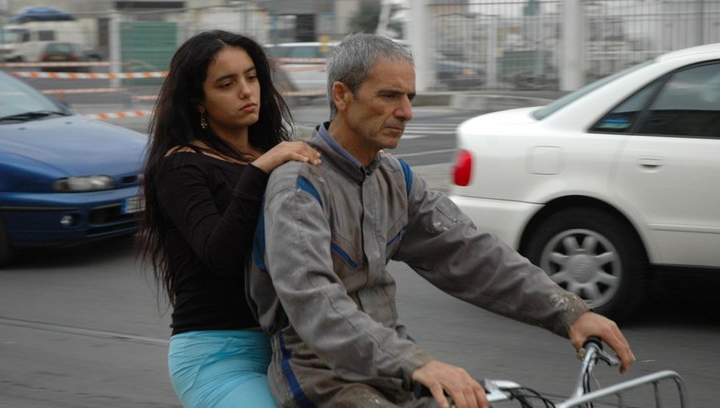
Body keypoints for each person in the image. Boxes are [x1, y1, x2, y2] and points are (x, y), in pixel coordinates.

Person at [247, 33, 635, 408]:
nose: (406, 112)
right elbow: (316, 302)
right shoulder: (299, 187)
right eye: (389, 96)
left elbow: (469, 252)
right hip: (322, 376)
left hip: (392, 367)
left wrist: (569, 312)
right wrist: (417, 363)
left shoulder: (395, 179)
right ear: (341, 95)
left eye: (410, 98)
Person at [137, 30, 321, 408]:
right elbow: (219, 254)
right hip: (216, 355)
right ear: (198, 101)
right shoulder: (181, 165)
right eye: (227, 84)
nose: (246, 91)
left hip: (288, 348)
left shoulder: (272, 152)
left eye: (251, 77)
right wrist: (259, 170)